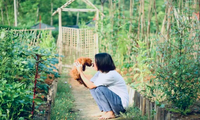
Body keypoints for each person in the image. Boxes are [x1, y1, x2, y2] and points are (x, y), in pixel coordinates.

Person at [74, 53, 129, 119]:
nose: (93, 63)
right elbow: (89, 85)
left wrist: (81, 72)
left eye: (95, 62)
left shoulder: (110, 74)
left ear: (101, 63)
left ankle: (110, 113)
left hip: (120, 106)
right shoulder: (100, 73)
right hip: (115, 102)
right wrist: (79, 73)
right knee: (94, 88)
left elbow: (91, 85)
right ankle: (104, 111)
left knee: (100, 88)